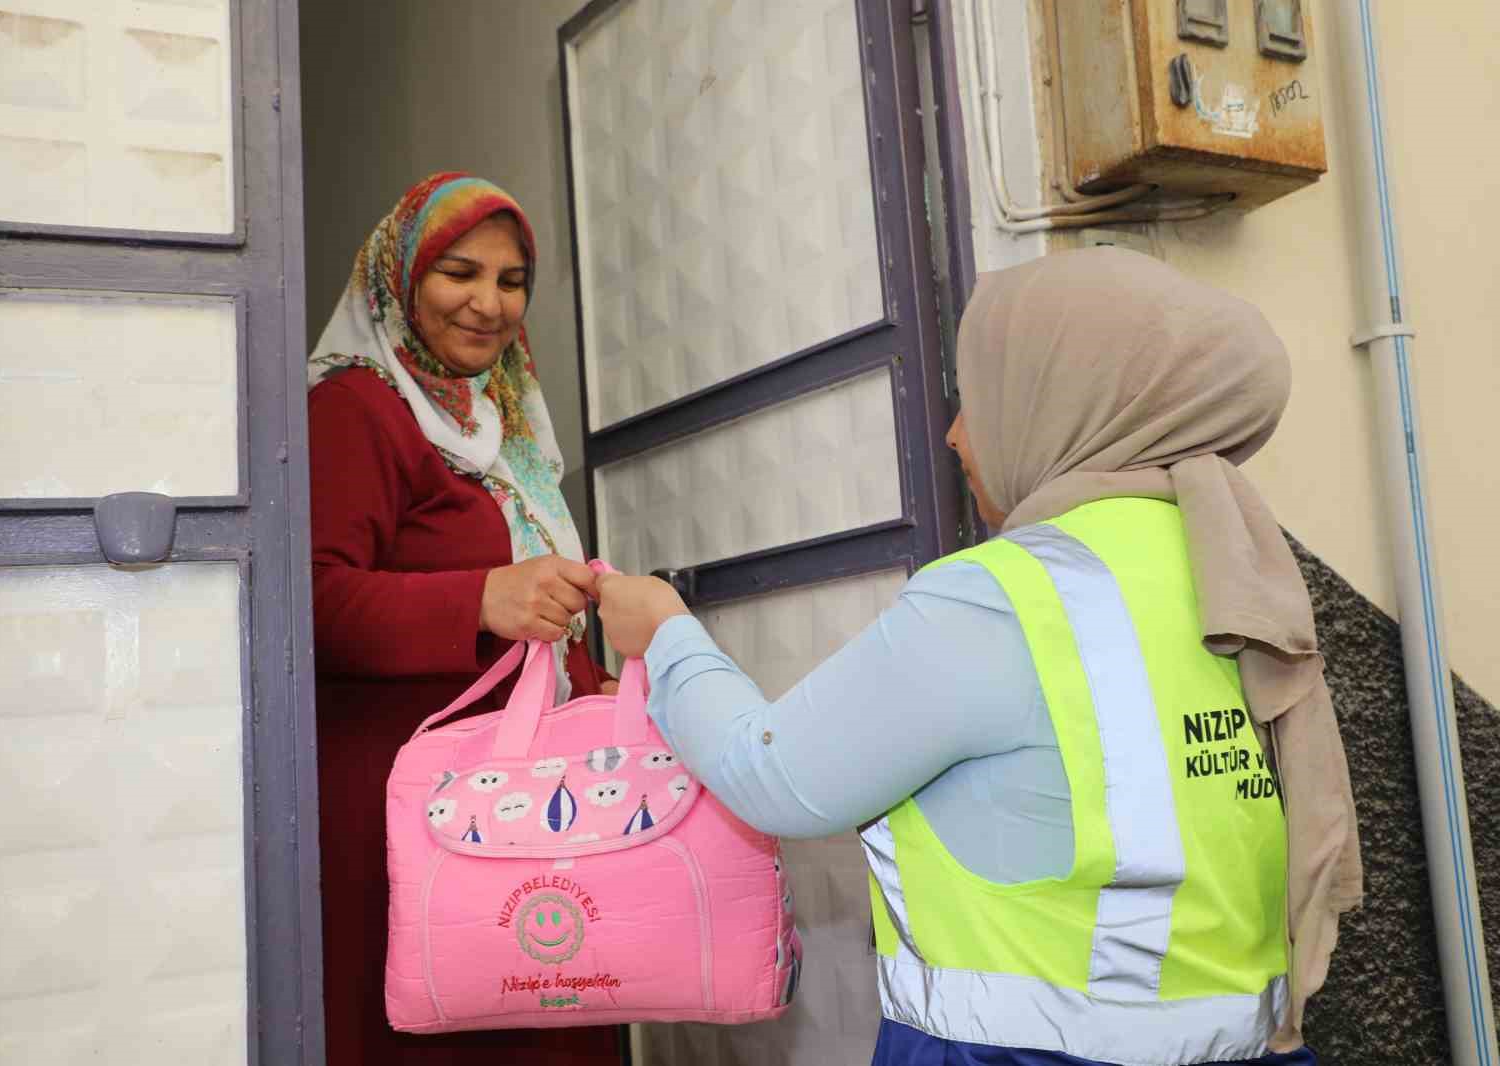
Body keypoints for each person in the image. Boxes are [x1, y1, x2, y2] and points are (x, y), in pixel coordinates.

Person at [594, 248, 1362, 1066]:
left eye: (977, 397)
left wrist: (667, 635)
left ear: (1064, 397)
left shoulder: (1007, 594)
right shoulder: (1229, 566)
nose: (957, 436)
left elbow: (774, 778)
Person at [307, 172, 619, 1066]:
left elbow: (534, 609)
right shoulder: (355, 408)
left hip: (529, 803)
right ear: (399, 280)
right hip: (414, 816)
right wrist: (480, 597)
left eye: (511, 280)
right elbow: (312, 601)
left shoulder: (506, 421)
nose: (488, 303)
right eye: (458, 273)